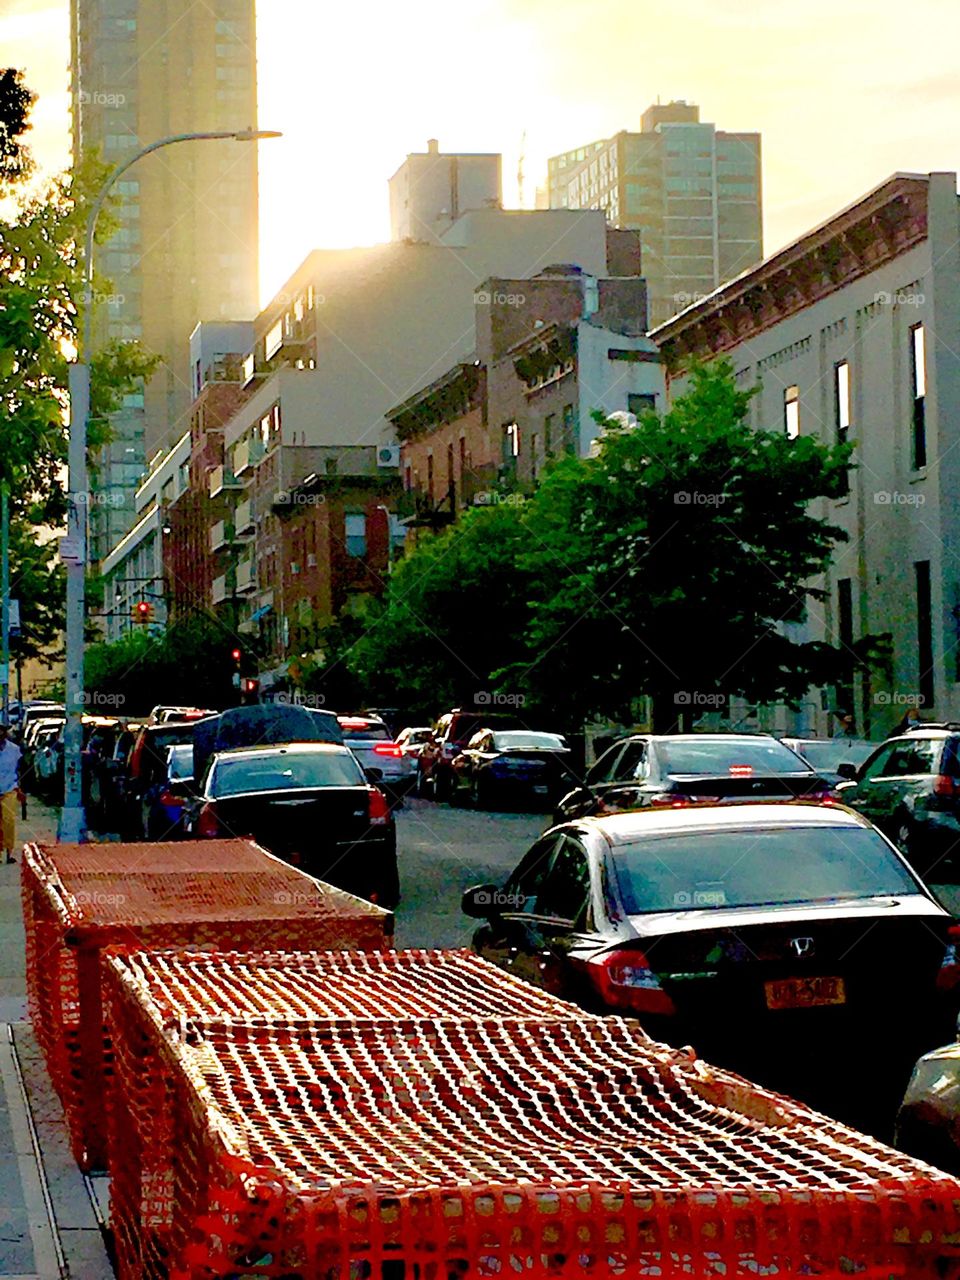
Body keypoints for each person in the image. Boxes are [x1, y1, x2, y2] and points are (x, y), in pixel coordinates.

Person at [0, 723, 23, 864]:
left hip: (9, 789)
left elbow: (19, 769)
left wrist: (20, 788)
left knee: (9, 821)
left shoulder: (14, 749)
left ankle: (9, 852)